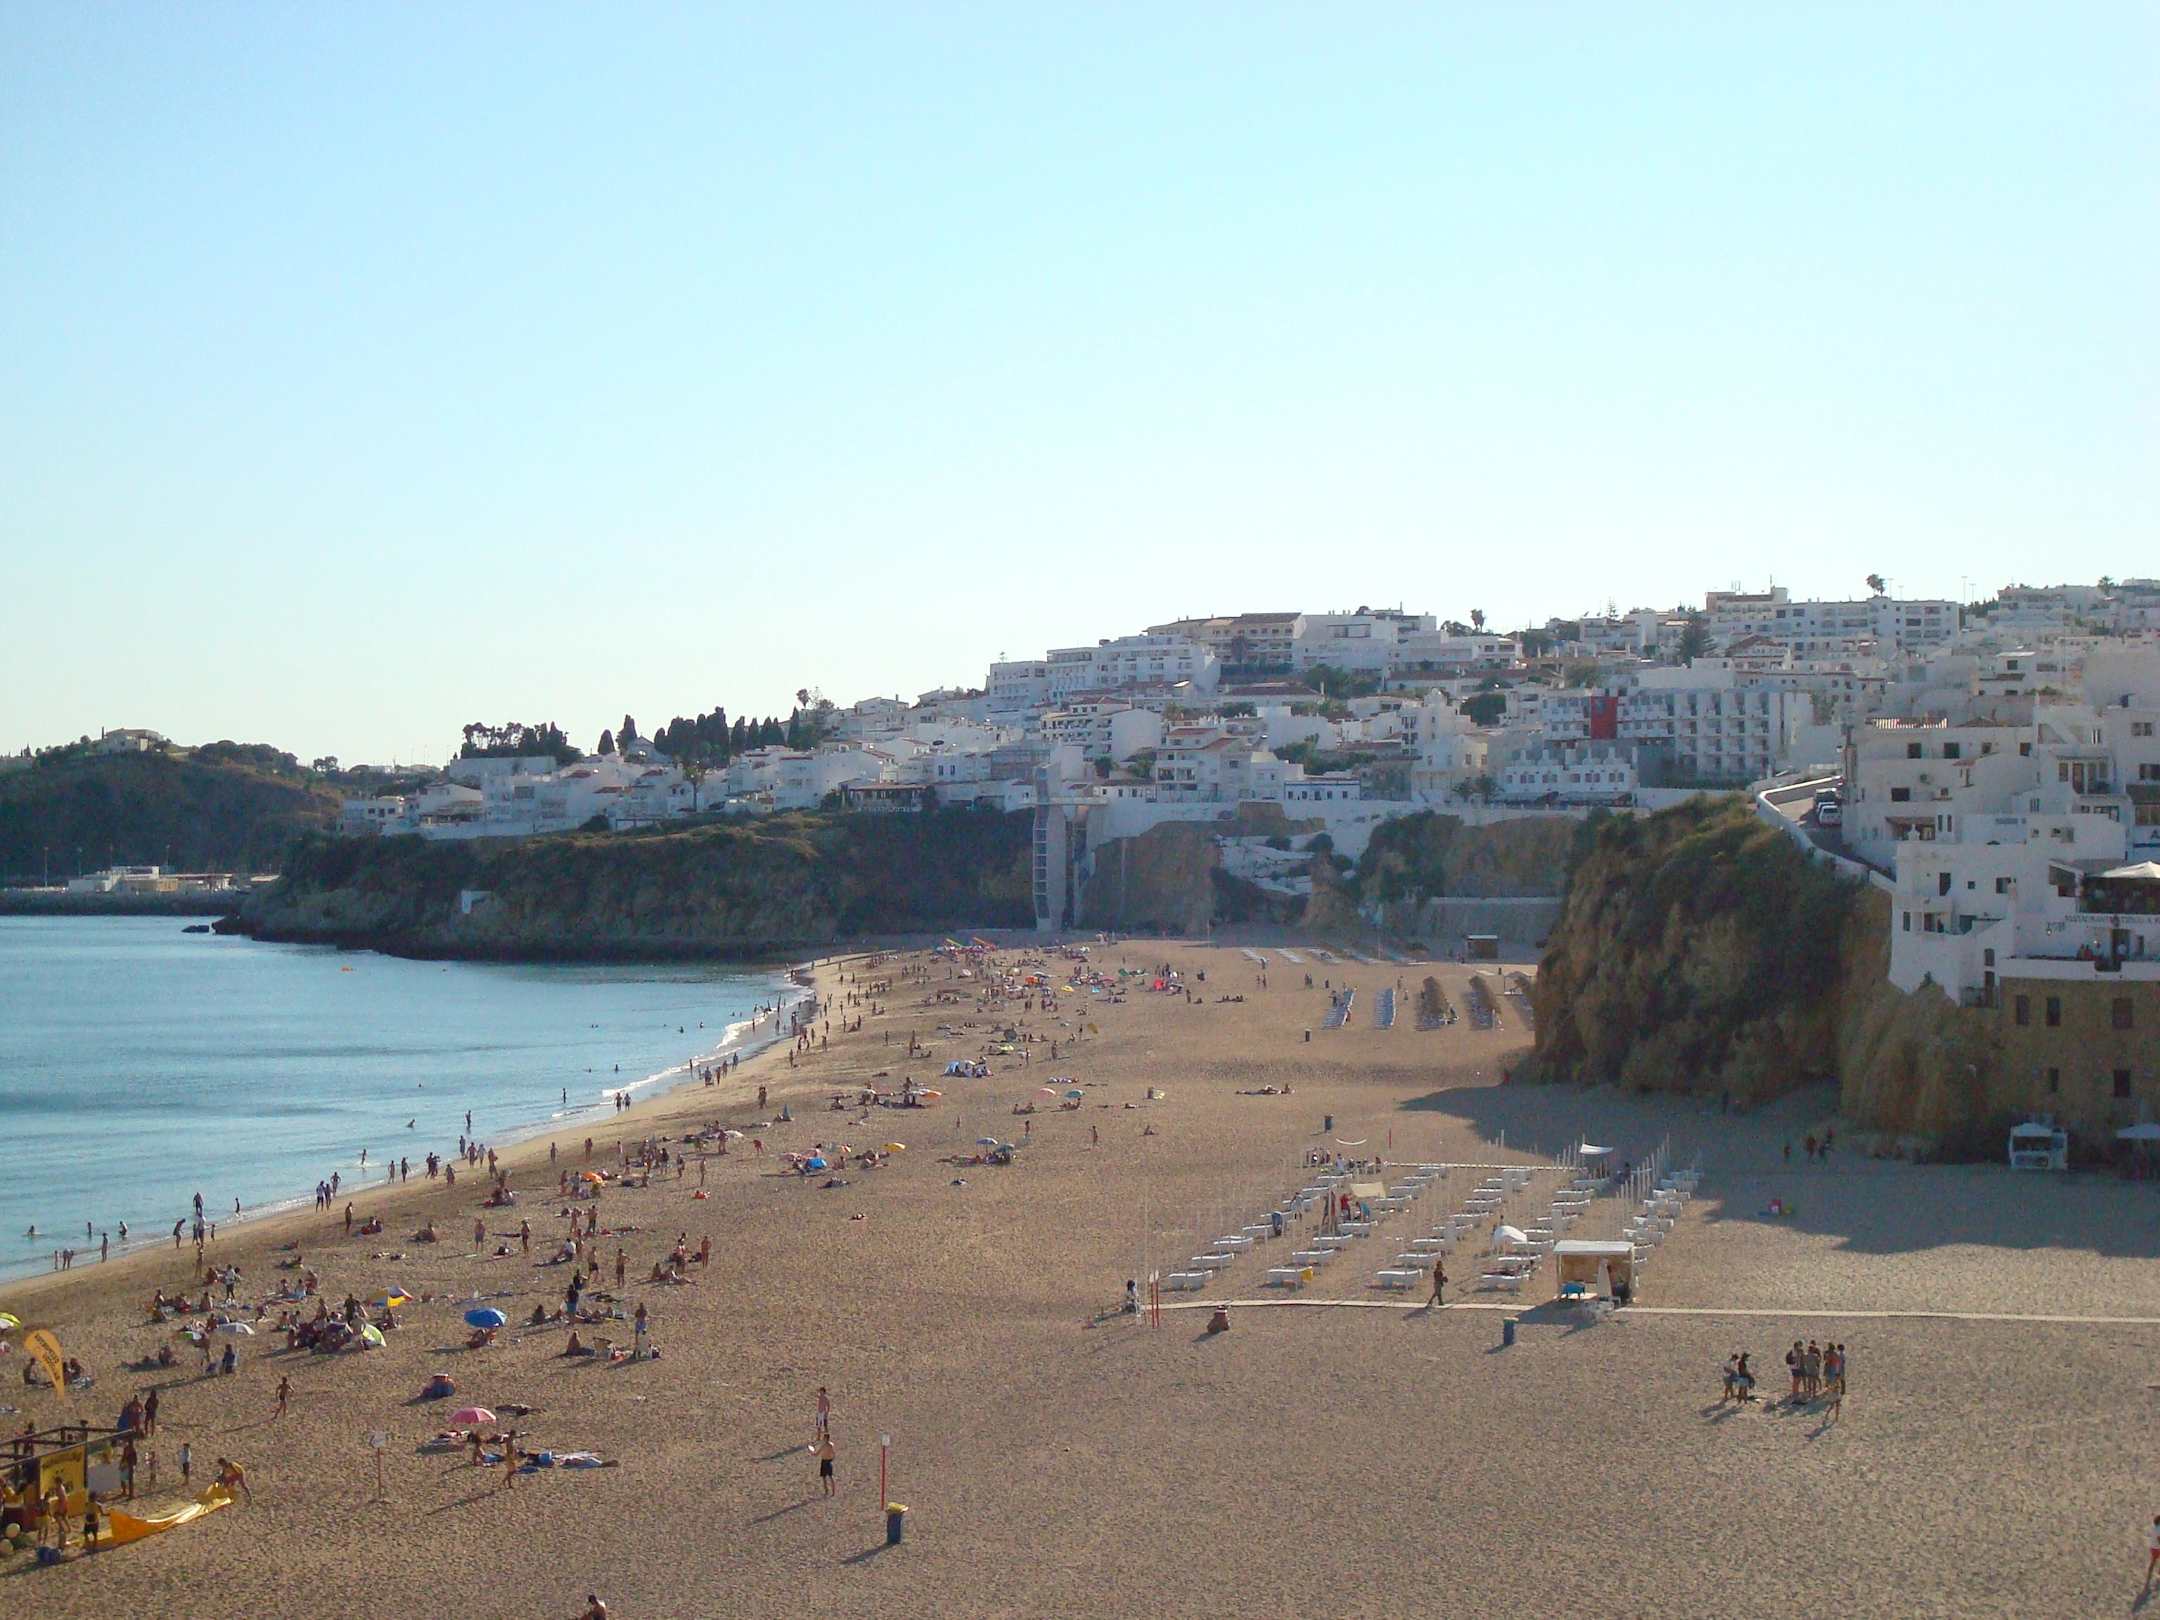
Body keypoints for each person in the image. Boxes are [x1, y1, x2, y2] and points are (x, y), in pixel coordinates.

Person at [816, 1434, 836, 1498]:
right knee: (828, 1477)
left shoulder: (824, 1446)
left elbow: (816, 1454)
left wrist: (812, 1452)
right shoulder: (831, 1445)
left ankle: (827, 1491)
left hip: (825, 1461)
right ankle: (832, 1492)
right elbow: (833, 1454)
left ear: (826, 1438)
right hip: (828, 1461)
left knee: (826, 1477)